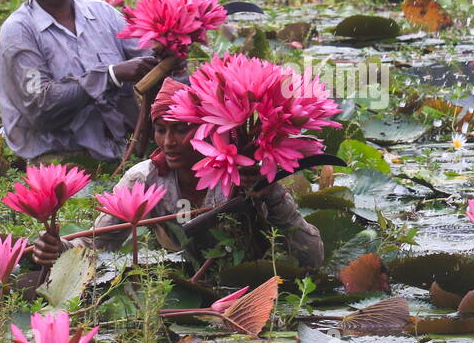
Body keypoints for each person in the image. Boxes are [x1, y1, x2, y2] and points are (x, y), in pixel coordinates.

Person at [30, 78, 325, 270]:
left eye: (181, 130)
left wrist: (272, 197)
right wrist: (61, 248)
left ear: (206, 130)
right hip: (182, 281)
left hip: (251, 281)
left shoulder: (244, 176)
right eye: (161, 130)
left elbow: (312, 259)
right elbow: (98, 243)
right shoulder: (143, 179)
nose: (169, 142)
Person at [0, 0, 162, 167]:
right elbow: (41, 107)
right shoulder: (19, 30)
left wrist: (170, 54)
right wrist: (111, 75)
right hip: (61, 163)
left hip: (127, 153)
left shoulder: (103, 13)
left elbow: (152, 59)